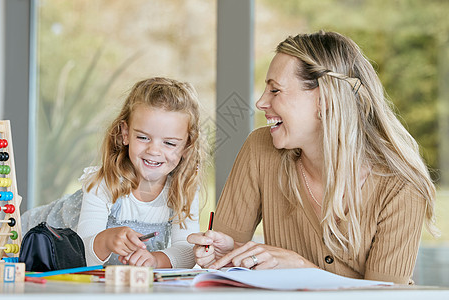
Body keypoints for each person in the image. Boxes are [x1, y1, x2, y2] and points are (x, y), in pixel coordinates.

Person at [187, 31, 437, 284]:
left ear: (324, 100)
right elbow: (222, 276)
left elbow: (386, 297)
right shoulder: (260, 148)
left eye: (275, 90)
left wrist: (301, 269)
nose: (261, 102)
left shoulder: (401, 187)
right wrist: (230, 252)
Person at [22, 77, 205, 269]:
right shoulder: (104, 181)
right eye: (143, 137)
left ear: (187, 146)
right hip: (32, 236)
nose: (154, 150)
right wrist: (107, 241)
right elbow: (81, 255)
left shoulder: (184, 189)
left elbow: (186, 250)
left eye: (169, 143)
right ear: (125, 134)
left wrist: (155, 260)